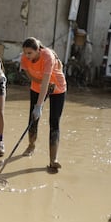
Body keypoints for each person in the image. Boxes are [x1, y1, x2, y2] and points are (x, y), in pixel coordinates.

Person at [20, 37, 66, 173]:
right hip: (36, 88)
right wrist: (36, 81)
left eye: (30, 53)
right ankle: (31, 145)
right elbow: (29, 74)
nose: (27, 56)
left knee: (54, 122)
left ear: (38, 50)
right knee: (33, 119)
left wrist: (39, 106)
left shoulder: (47, 57)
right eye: (25, 53)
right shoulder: (24, 57)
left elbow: (46, 82)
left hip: (57, 88)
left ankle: (53, 159)